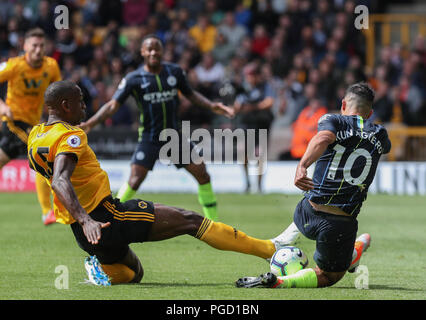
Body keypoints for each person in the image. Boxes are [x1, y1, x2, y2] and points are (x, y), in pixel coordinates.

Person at [27, 80, 290, 285]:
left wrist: (80, 221)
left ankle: (103, 271)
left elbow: (47, 175)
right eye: (80, 101)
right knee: (191, 220)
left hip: (83, 233)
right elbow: (60, 179)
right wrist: (87, 219)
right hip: (105, 218)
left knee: (135, 273)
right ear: (65, 105)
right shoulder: (71, 135)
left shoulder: (36, 136)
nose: (84, 106)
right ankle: (269, 248)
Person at [236, 82, 391, 288]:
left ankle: (284, 242)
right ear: (370, 112)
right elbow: (384, 148)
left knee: (313, 198)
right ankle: (280, 281)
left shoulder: (332, 119)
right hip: (339, 225)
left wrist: (302, 166)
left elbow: (323, 138)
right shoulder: (380, 133)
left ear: (343, 104)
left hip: (307, 212)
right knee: (330, 276)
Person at [80, 34, 234, 222]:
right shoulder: (134, 78)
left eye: (156, 48)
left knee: (202, 173)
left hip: (174, 137)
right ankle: (110, 218)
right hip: (149, 137)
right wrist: (90, 123)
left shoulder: (175, 72)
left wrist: (211, 105)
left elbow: (191, 94)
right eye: (149, 49)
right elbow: (113, 105)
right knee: (135, 180)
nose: (153, 52)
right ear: (143, 52)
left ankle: (215, 223)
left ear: (162, 51)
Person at [0, 28, 62, 225]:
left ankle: (48, 211)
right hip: (12, 122)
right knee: (41, 156)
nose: (38, 50)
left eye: (41, 46)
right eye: (34, 45)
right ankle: (47, 212)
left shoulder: (51, 66)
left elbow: (58, 93)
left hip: (34, 123)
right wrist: (2, 106)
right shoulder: (14, 66)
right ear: (25, 46)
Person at [234, 63, 275, 193]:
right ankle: (246, 182)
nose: (249, 79)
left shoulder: (265, 87)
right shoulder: (243, 89)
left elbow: (269, 102)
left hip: (261, 125)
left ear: (257, 76)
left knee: (260, 155)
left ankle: (259, 186)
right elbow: (236, 106)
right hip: (247, 124)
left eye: (251, 76)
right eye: (247, 76)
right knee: (242, 153)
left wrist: (252, 107)